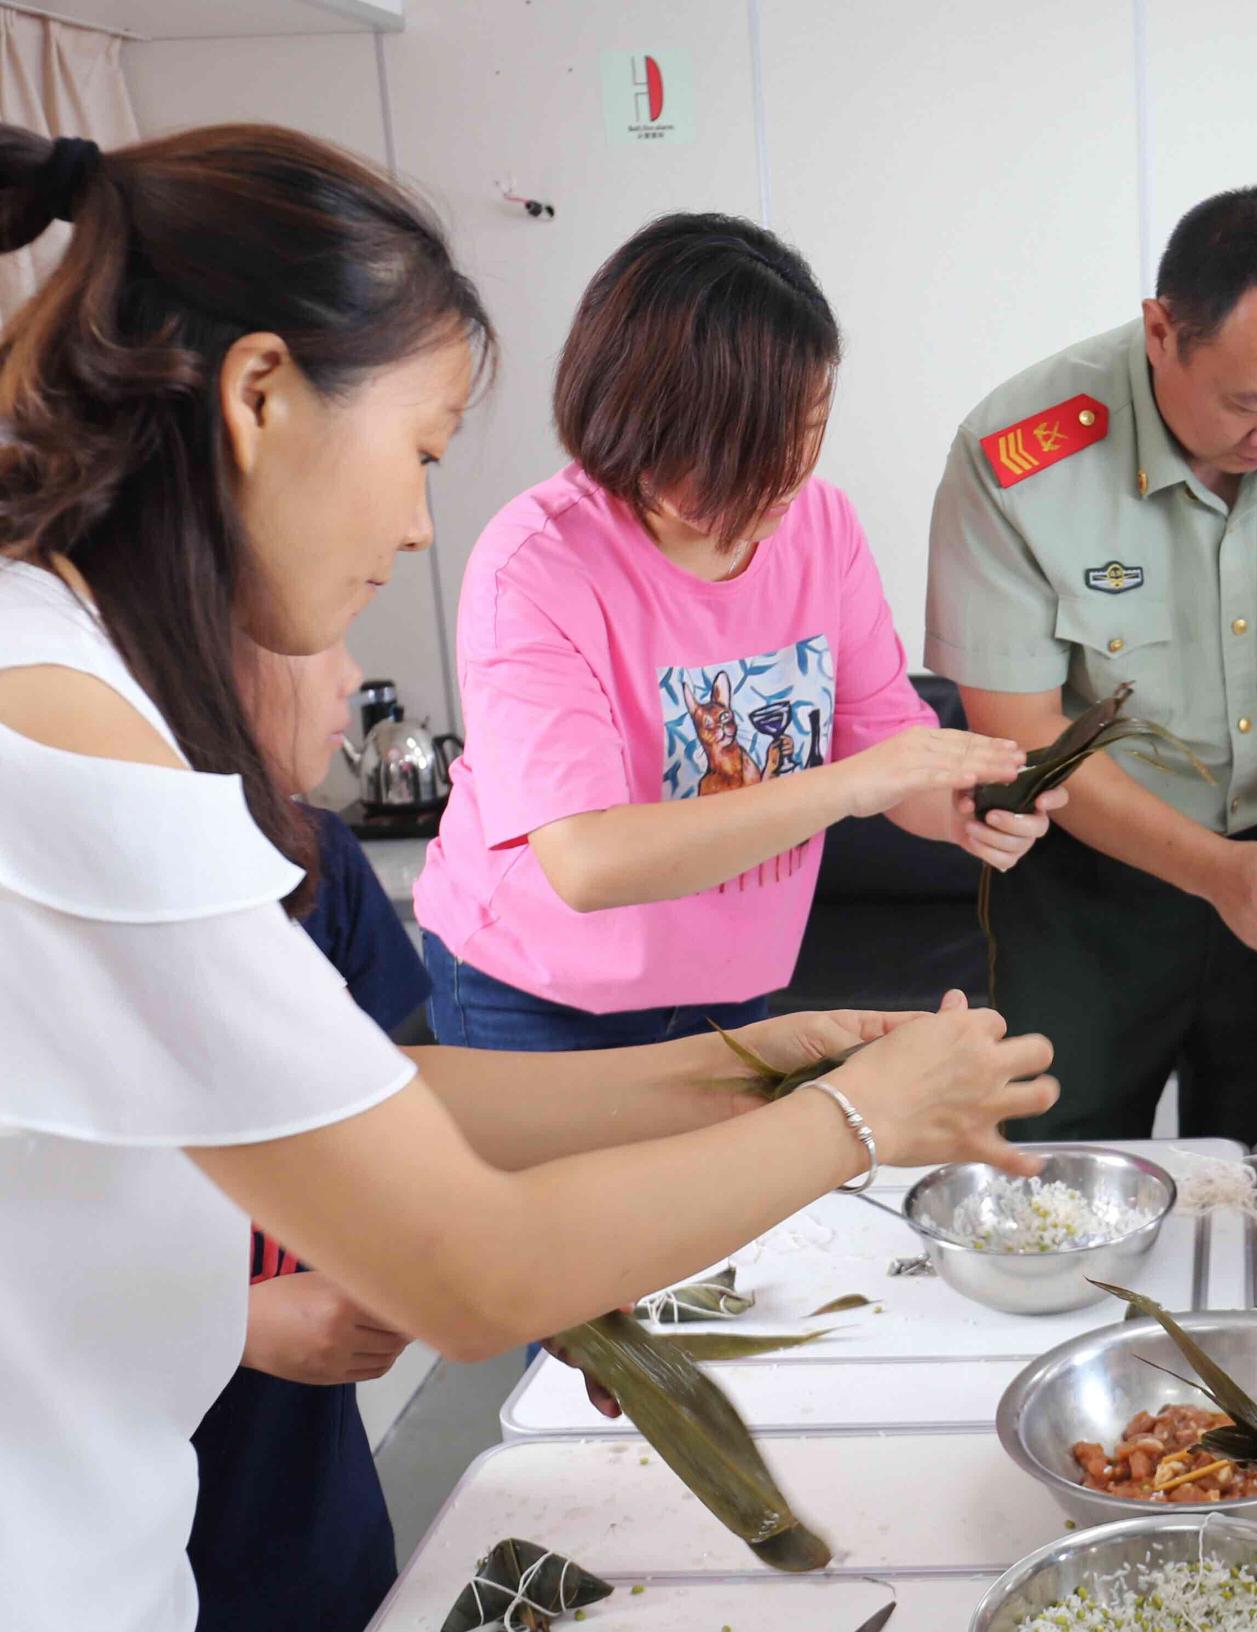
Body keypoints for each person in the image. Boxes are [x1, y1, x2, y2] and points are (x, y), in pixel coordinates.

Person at [0, 124, 1054, 1632]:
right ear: (257, 397)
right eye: (423, 449)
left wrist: (763, 1062)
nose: (422, 519)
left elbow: (388, 1090)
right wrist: (858, 1117)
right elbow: (474, 1269)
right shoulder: (66, 738)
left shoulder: (54, 673)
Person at [416, 214, 1054, 1049]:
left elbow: (885, 736)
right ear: (636, 422)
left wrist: (963, 809)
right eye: (744, 445)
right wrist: (850, 785)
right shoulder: (536, 565)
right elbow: (587, 861)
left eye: (806, 429)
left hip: (731, 983)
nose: (785, 474)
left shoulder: (820, 526)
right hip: (536, 991)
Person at [926, 186, 1257, 1142]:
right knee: (1057, 1167)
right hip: (1083, 882)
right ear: (1161, 331)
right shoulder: (1018, 460)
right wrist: (1214, 872)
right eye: (1247, 402)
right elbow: (1021, 733)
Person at [187, 638, 420, 1632]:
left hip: (317, 1514)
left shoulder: (320, 865)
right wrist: (229, 1326)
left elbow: (406, 1136)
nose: (348, 677)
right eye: (302, 640)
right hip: (153, 1558)